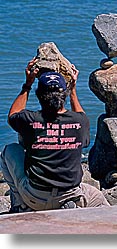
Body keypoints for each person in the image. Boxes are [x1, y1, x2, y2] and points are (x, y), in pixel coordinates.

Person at [0, 58, 110, 213]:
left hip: (35, 196)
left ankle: (20, 204)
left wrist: (27, 85)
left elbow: (13, 114)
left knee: (9, 150)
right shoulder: (80, 122)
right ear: (63, 95)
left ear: (39, 96)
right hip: (70, 195)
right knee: (98, 199)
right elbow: (80, 113)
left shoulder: (31, 120)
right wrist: (72, 90)